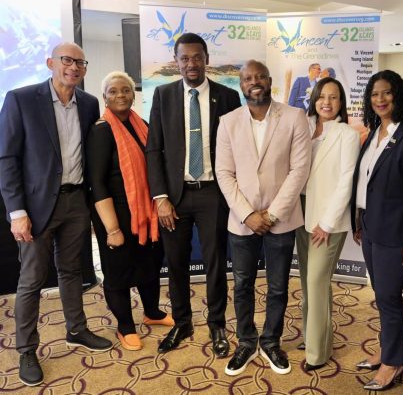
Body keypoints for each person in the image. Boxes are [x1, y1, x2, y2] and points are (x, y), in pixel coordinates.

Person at [0, 42, 112, 387]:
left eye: (80, 62)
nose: (74, 67)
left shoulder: (89, 103)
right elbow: (7, 159)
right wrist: (17, 211)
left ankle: (76, 329)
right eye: (67, 60)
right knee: (31, 279)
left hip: (76, 202)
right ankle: (26, 349)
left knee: (72, 271)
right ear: (51, 63)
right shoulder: (21, 99)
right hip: (35, 208)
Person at [146, 32, 241, 356]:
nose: (191, 63)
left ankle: (217, 324)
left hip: (213, 193)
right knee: (176, 263)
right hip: (175, 196)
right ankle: (182, 322)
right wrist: (160, 198)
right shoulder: (163, 95)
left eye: (197, 57)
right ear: (176, 62)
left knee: (215, 262)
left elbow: (237, 149)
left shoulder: (228, 97)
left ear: (207, 59)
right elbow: (154, 149)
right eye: (184, 58)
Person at [216, 60, 311, 376]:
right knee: (242, 284)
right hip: (241, 220)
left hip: (281, 219)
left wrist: (271, 214)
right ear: (241, 84)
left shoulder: (295, 117)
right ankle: (246, 341)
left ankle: (271, 341)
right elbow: (224, 173)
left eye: (259, 77)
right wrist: (247, 215)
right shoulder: (228, 122)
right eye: (247, 78)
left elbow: (299, 170)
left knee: (278, 286)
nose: (254, 82)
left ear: (270, 81)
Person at [351, 70, 403, 391]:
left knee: (388, 296)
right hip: (371, 229)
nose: (380, 99)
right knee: (382, 294)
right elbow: (366, 182)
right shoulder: (374, 132)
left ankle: (395, 360)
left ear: (398, 95)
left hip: (397, 235)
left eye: (386, 92)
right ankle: (388, 349)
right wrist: (359, 220)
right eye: (374, 94)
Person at [86, 71, 173, 352]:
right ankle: (125, 326)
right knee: (118, 272)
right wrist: (112, 229)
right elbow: (97, 183)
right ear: (104, 97)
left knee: (149, 264)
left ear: (133, 95)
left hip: (145, 212)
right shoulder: (101, 130)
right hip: (116, 214)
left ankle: (152, 312)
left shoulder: (142, 125)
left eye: (125, 90)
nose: (120, 95)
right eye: (113, 91)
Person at [295, 77, 360, 371]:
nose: (327, 102)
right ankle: (314, 335)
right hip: (301, 211)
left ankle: (317, 353)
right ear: (314, 99)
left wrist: (327, 223)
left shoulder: (347, 134)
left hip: (327, 218)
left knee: (317, 281)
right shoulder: (305, 126)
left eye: (334, 97)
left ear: (341, 103)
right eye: (322, 96)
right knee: (308, 281)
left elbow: (346, 181)